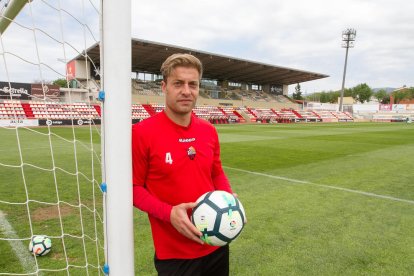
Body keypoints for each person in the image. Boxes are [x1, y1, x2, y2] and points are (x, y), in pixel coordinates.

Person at [132, 53, 233, 276]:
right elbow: (133, 189)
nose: (186, 91)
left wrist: (228, 200)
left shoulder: (208, 130)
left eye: (193, 84)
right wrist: (169, 214)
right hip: (175, 256)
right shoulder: (141, 133)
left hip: (216, 243)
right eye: (178, 83)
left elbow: (216, 172)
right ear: (164, 86)